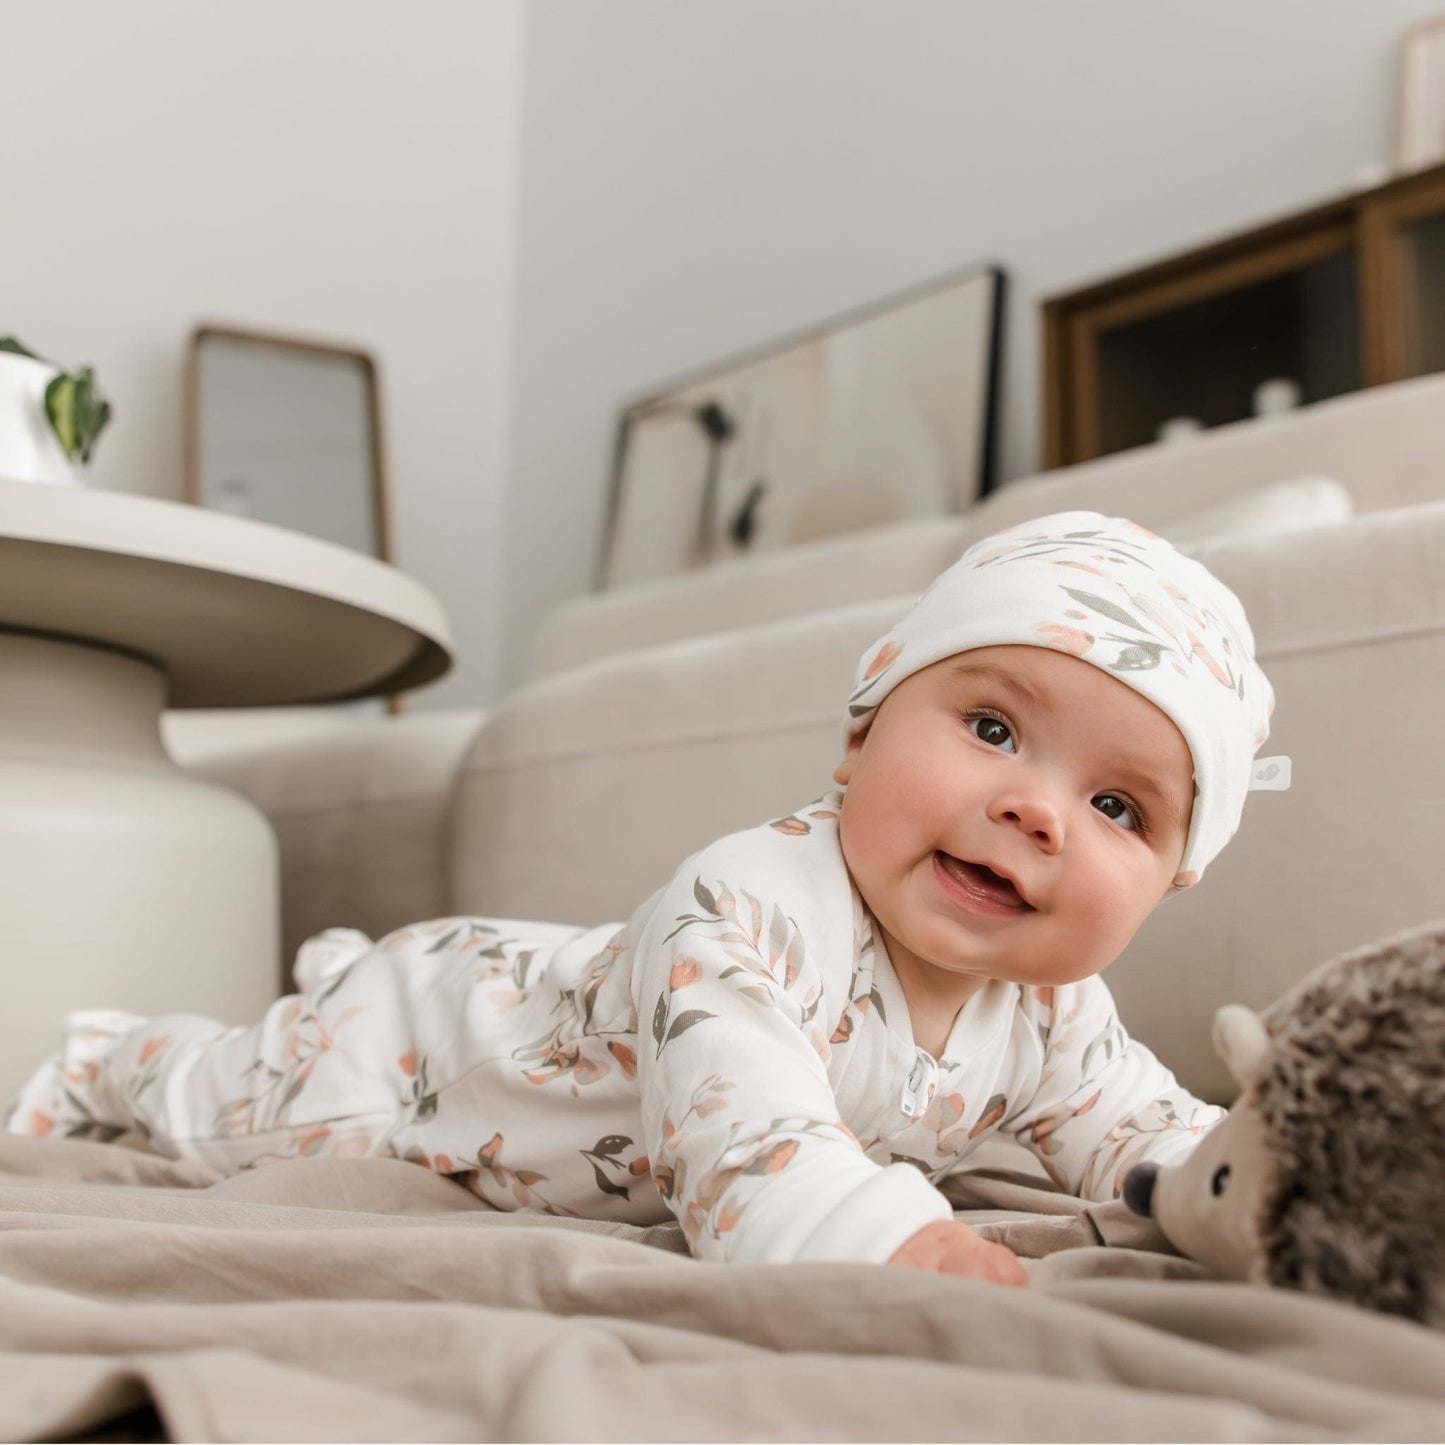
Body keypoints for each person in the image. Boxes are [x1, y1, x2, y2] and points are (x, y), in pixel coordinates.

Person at [7, 510, 1289, 1286]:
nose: (1037, 808)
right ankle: (114, 1055)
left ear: (1171, 878)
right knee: (225, 1105)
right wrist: (875, 1238)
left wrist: (1238, 1184)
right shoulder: (746, 903)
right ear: (858, 736)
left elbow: (1144, 1131)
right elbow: (750, 1148)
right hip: (425, 1052)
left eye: (1117, 807)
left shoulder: (1054, 1006)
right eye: (993, 725)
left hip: (538, 987)